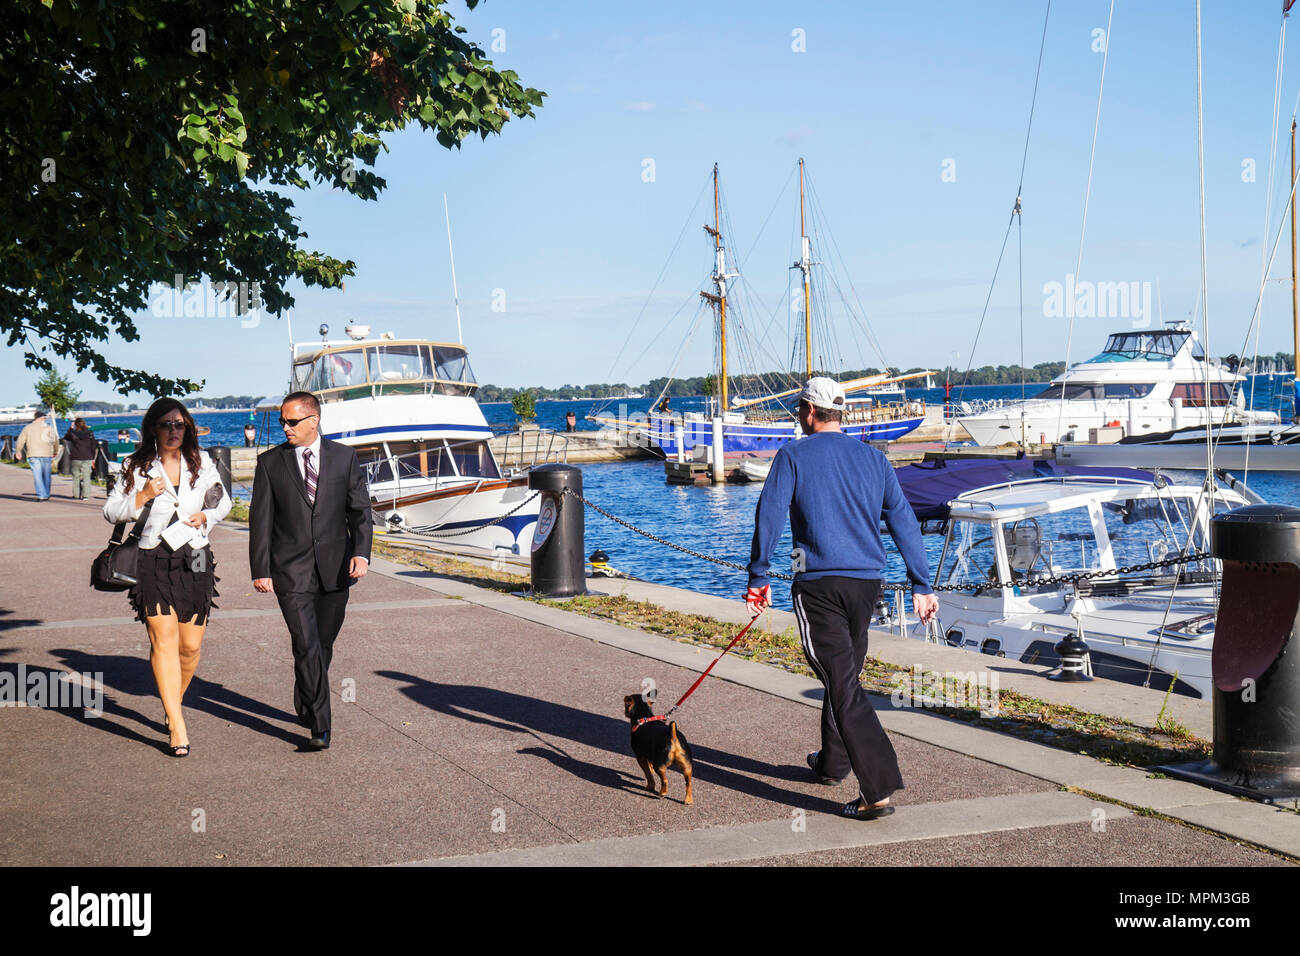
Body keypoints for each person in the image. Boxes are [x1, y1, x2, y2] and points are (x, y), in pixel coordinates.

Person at [745, 377, 938, 821]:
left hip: (819, 586)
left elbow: (769, 514)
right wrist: (921, 585)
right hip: (868, 585)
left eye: (799, 407)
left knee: (843, 683)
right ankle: (832, 764)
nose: (798, 413)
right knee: (844, 675)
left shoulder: (792, 454)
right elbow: (904, 521)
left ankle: (879, 788)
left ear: (809, 411)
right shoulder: (874, 459)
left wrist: (758, 575)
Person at [103, 399, 232, 757]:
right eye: (166, 425)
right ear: (153, 429)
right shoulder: (134, 466)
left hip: (195, 557)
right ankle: (177, 723)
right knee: (164, 638)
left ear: (187, 428)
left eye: (180, 424)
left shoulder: (203, 463)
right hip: (152, 558)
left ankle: (170, 701)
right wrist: (141, 497)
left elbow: (222, 501)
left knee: (190, 646)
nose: (174, 431)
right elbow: (111, 510)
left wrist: (206, 517)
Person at [249, 391, 372, 750]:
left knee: (322, 645)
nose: (285, 427)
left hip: (337, 570)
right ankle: (321, 726)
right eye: (282, 421)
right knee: (305, 644)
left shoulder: (345, 458)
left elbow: (360, 512)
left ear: (313, 421)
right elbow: (261, 521)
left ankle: (306, 694)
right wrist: (261, 568)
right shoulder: (270, 463)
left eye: (292, 421)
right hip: (291, 571)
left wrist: (362, 554)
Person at [15, 411, 58, 501]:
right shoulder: (48, 428)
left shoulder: (28, 428)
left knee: (37, 475)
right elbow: (55, 440)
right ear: (41, 418)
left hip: (33, 454)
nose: (45, 419)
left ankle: (41, 495)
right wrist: (55, 451)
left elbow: (20, 440)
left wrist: (18, 451)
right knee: (47, 475)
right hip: (46, 454)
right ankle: (46, 494)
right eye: (44, 418)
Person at [63, 417, 97, 500]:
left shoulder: (73, 433)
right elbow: (93, 446)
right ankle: (86, 495)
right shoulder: (90, 433)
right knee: (86, 476)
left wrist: (70, 428)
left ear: (75, 425)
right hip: (87, 457)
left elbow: (66, 437)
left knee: (76, 476)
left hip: (76, 457)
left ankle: (76, 495)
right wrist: (93, 457)